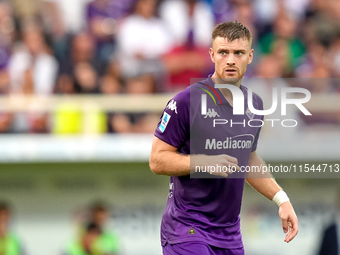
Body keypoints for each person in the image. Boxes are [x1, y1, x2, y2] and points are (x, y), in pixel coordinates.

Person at [149, 21, 298, 254]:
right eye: (223, 52)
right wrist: (203, 162)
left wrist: (281, 199)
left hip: (229, 235)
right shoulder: (186, 102)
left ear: (250, 56)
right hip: (188, 230)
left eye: (238, 53)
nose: (230, 60)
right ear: (212, 55)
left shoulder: (255, 104)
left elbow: (247, 158)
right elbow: (157, 160)